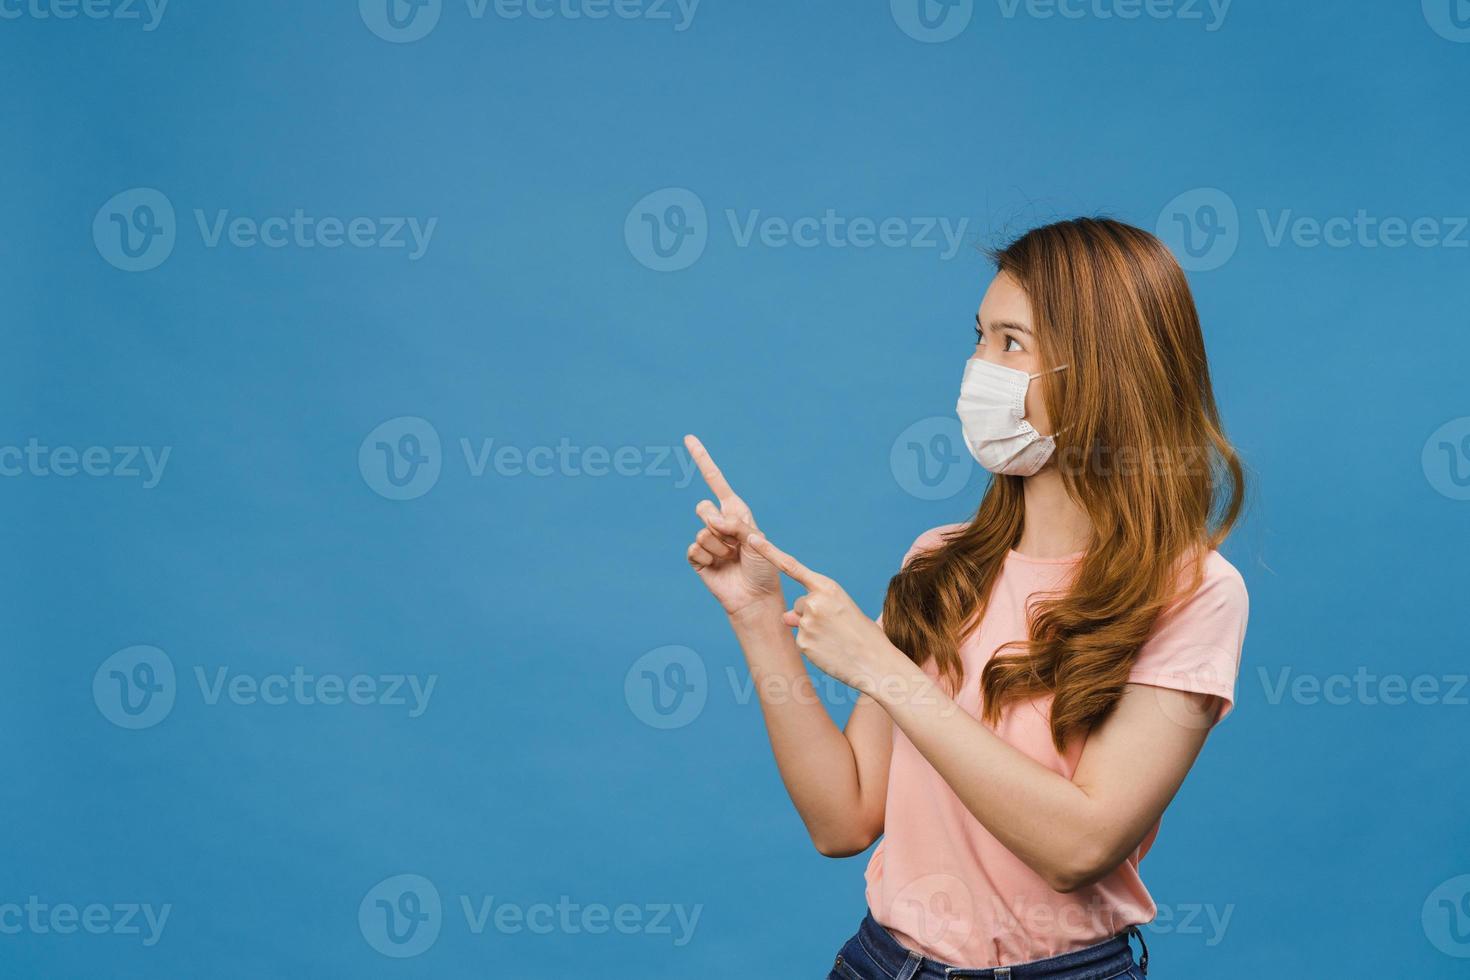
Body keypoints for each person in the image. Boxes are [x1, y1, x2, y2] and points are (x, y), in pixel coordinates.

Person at [683, 217, 1248, 978]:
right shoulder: (940, 562)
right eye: (978, 336)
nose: (977, 366)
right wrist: (755, 613)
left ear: (1105, 371)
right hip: (881, 964)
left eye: (1009, 343)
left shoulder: (1195, 593)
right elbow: (842, 817)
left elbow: (1077, 848)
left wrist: (883, 668)